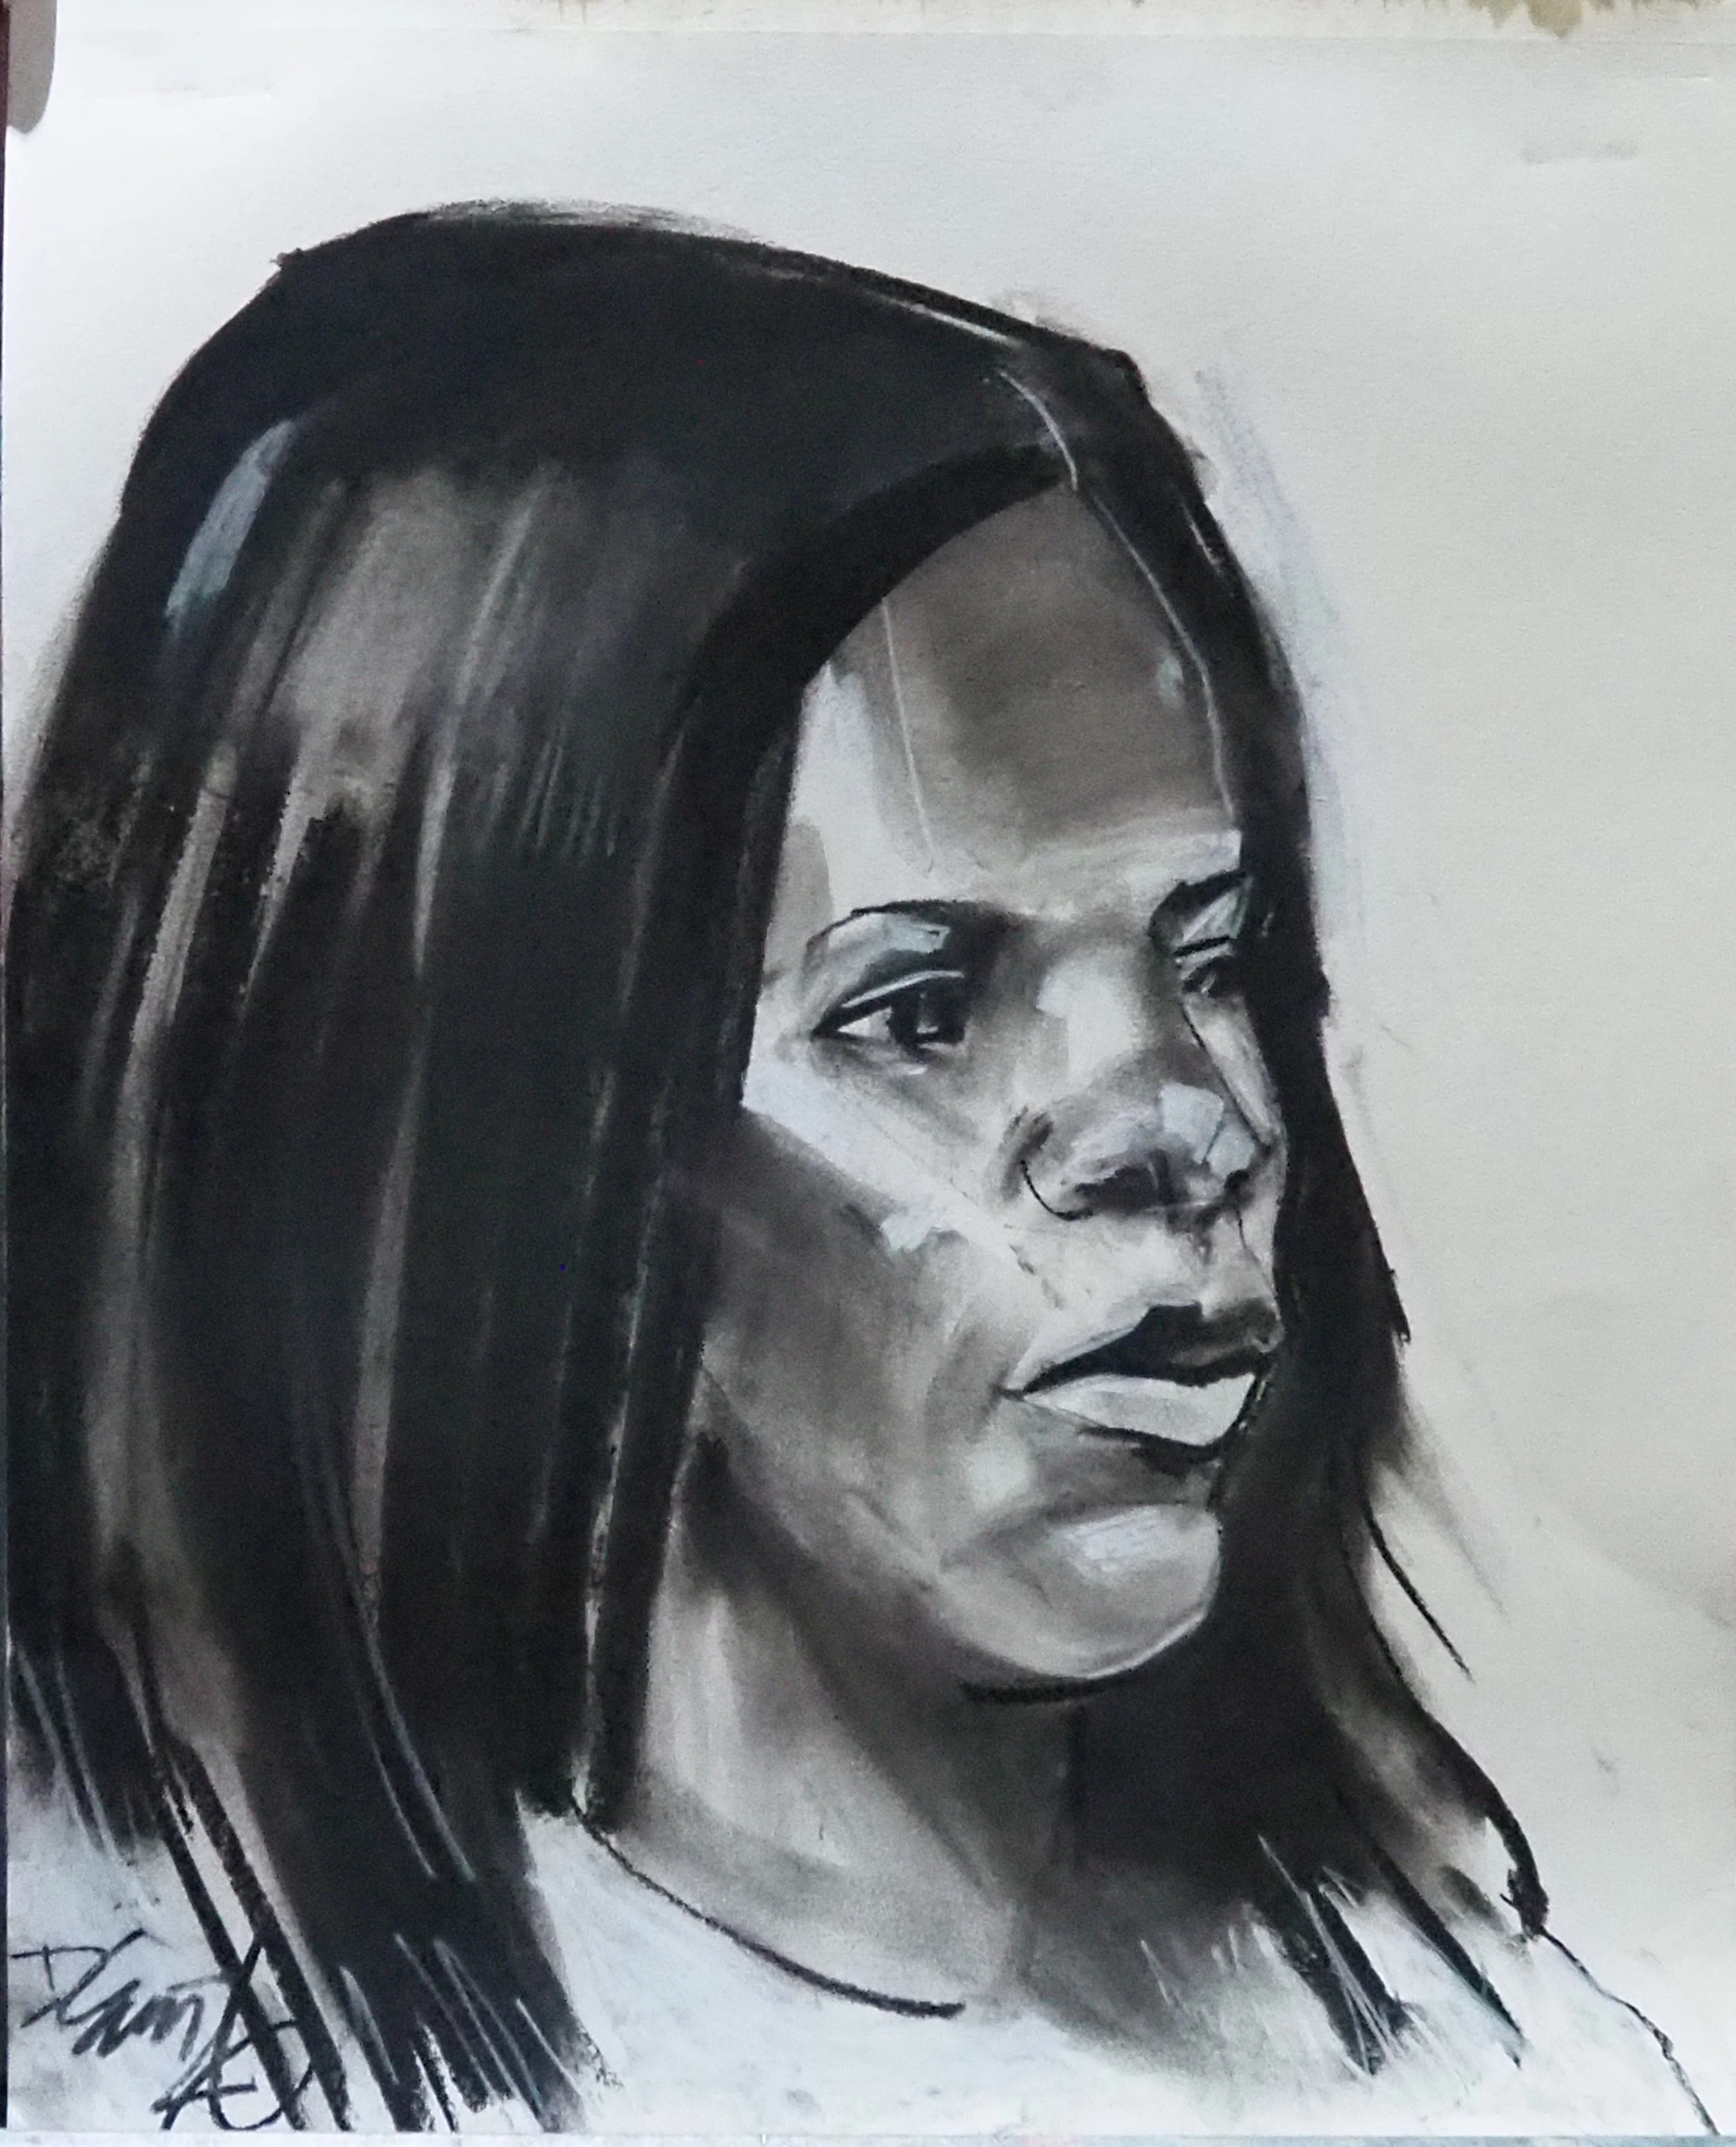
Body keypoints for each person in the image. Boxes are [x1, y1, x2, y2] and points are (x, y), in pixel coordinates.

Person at [6, 207, 1710, 2134]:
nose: (1192, 1125)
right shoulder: (174, 2043)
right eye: (919, 1006)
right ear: (480, 1138)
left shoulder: (1473, 2041)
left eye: (1214, 958)